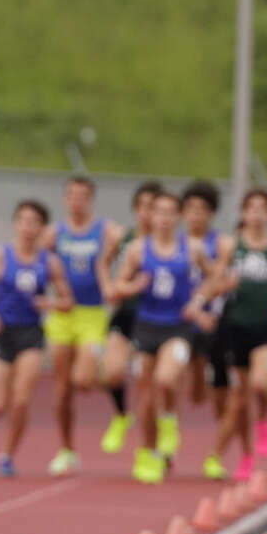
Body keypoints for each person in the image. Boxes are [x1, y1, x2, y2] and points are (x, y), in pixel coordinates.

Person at [113, 190, 223, 484]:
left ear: (179, 217)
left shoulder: (193, 248)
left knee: (166, 378)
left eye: (169, 213)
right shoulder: (138, 249)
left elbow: (215, 278)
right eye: (157, 213)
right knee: (146, 395)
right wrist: (133, 286)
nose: (162, 219)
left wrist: (198, 302)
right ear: (151, 217)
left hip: (177, 327)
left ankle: (170, 418)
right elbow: (118, 285)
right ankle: (147, 452)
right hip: (146, 325)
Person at [205, 188, 267, 479]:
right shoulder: (231, 245)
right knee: (238, 400)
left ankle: (264, 420)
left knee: (261, 384)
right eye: (251, 208)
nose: (256, 214)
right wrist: (221, 283)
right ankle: (246, 457)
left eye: (262, 208)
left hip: (266, 328)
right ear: (243, 213)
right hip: (237, 327)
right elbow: (215, 280)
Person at [0, 199, 73, 477]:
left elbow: (67, 301)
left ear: (42, 228)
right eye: (24, 221)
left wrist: (48, 304)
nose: (28, 227)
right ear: (16, 224)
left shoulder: (49, 262)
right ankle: (3, 393)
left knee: (21, 401)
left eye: (35, 222)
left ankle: (7, 454)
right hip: (1, 333)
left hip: (31, 335)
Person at [42, 176, 125, 475]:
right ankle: (66, 449)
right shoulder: (54, 233)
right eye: (72, 196)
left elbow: (128, 240)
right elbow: (39, 262)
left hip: (93, 314)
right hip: (63, 315)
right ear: (65, 200)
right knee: (62, 388)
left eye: (83, 196)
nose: (77, 201)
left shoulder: (104, 230)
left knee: (82, 380)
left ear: (91, 200)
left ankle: (114, 386)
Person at [179, 180, 246, 478]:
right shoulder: (173, 241)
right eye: (191, 209)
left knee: (222, 398)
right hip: (181, 322)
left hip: (216, 322)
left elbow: (225, 279)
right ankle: (163, 444)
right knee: (185, 390)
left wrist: (205, 264)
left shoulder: (222, 244)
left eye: (203, 210)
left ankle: (217, 455)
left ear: (212, 213)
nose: (196, 215)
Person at [96, 180, 162, 455]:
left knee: (150, 390)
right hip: (124, 313)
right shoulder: (123, 237)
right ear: (135, 209)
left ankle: (155, 446)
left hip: (156, 317)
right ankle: (122, 415)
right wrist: (109, 287)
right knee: (111, 373)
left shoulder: (168, 245)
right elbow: (102, 262)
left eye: (153, 207)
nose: (146, 213)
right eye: (142, 207)